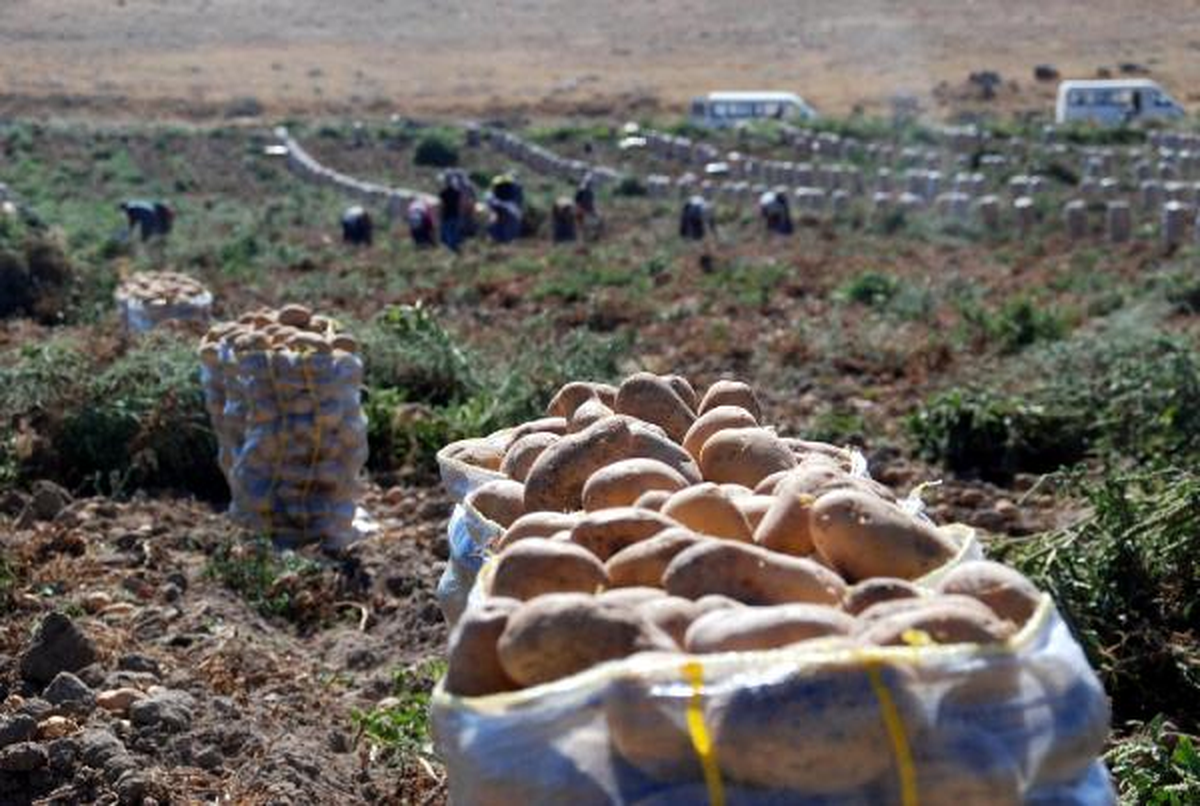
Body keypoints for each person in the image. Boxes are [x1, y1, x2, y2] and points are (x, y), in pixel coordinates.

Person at [438, 173, 464, 253]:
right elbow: (460, 205)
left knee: (448, 233)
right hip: (455, 215)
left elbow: (441, 205)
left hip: (446, 216)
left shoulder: (443, 193)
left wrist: (440, 216)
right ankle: (454, 248)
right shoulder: (457, 193)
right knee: (454, 233)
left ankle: (451, 250)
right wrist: (460, 215)